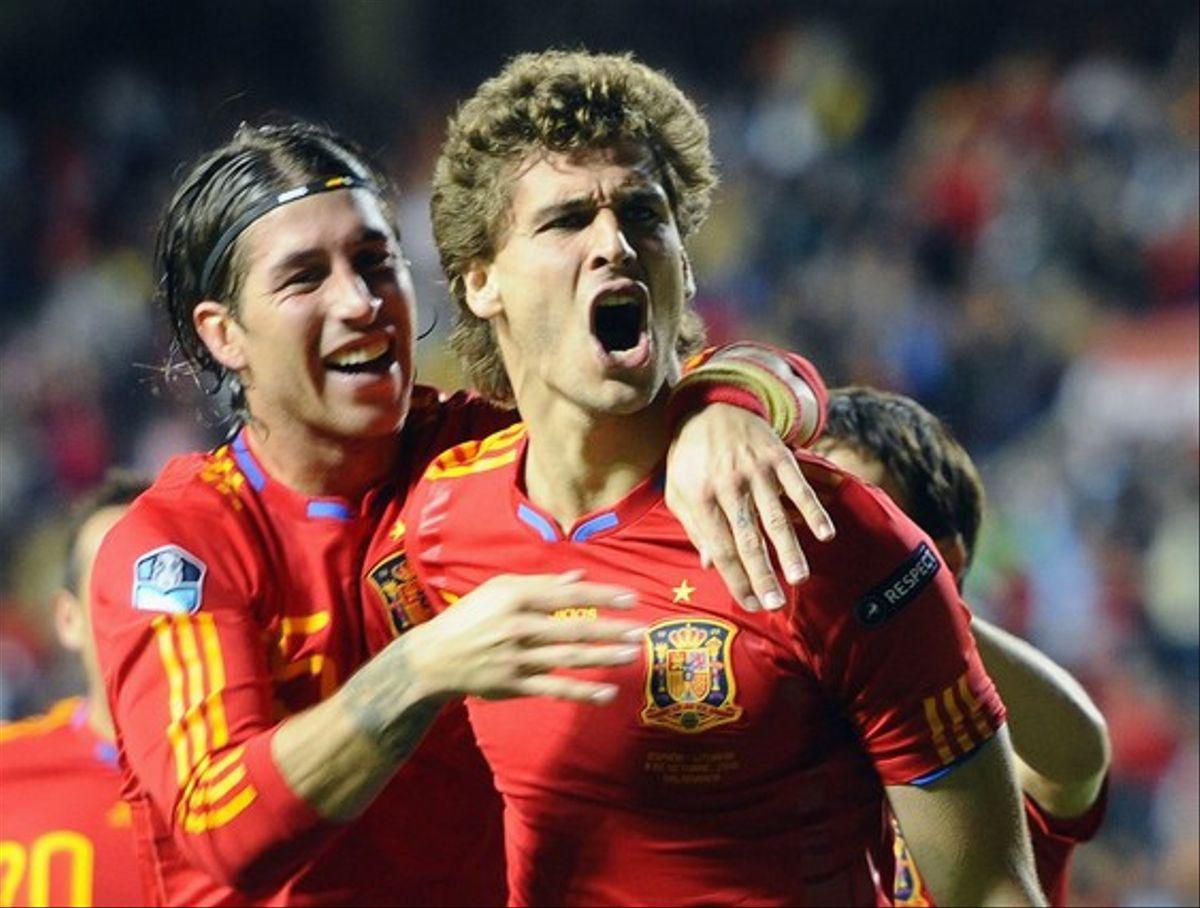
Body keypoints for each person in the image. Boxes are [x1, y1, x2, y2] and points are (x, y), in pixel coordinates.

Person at [89, 118, 834, 905]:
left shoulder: (486, 453)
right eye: (304, 278)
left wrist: (725, 406)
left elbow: (782, 382)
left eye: (376, 263)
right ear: (224, 334)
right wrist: (420, 670)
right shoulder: (181, 545)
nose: (358, 301)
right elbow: (221, 822)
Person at [396, 48, 1044, 906]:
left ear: (685, 267)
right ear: (482, 282)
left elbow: (991, 891)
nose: (614, 244)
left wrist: (739, 393)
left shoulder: (827, 534)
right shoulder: (440, 516)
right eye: (563, 222)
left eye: (642, 213)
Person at [812, 385, 1112, 907]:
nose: (822, 546)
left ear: (943, 562)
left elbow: (1076, 756)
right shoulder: (760, 727)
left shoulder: (982, 742)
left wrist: (906, 605)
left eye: (863, 524)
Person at [0, 472, 150, 907]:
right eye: (115, 584)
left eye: (167, 578)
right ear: (68, 619)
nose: (144, 608)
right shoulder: (8, 770)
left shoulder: (283, 781)